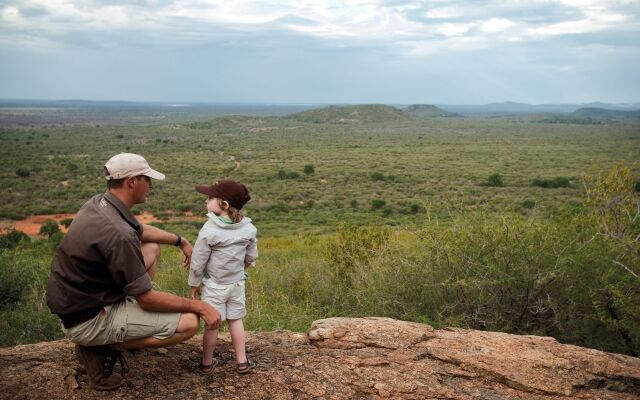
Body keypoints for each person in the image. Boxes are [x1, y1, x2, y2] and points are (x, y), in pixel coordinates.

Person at [46, 153, 221, 391]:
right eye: (146, 179)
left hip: (80, 301)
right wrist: (200, 306)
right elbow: (147, 299)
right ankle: (102, 348)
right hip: (89, 319)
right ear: (131, 181)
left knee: (151, 248)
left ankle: (113, 332)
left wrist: (180, 241)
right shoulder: (118, 234)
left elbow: (139, 230)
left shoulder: (100, 203)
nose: (150, 185)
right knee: (189, 322)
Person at [188, 179, 257, 375]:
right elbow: (251, 256)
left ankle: (207, 363)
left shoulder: (209, 230)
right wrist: (239, 269)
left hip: (215, 286)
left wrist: (194, 283)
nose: (206, 201)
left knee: (212, 324)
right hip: (237, 283)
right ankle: (242, 362)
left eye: (210, 198)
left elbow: (199, 260)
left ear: (224, 205)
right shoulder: (248, 229)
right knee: (236, 320)